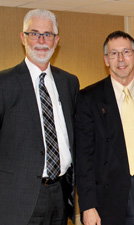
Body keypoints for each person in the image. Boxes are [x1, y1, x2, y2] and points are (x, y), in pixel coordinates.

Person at [0, 9, 79, 225]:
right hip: (18, 198)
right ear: (23, 37)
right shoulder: (4, 83)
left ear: (57, 40)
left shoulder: (69, 82)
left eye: (48, 34)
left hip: (61, 194)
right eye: (34, 34)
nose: (42, 41)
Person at [75, 30, 134, 225]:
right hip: (108, 195)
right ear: (106, 60)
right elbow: (84, 157)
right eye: (114, 54)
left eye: (126, 52)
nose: (121, 59)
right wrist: (88, 206)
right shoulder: (89, 98)